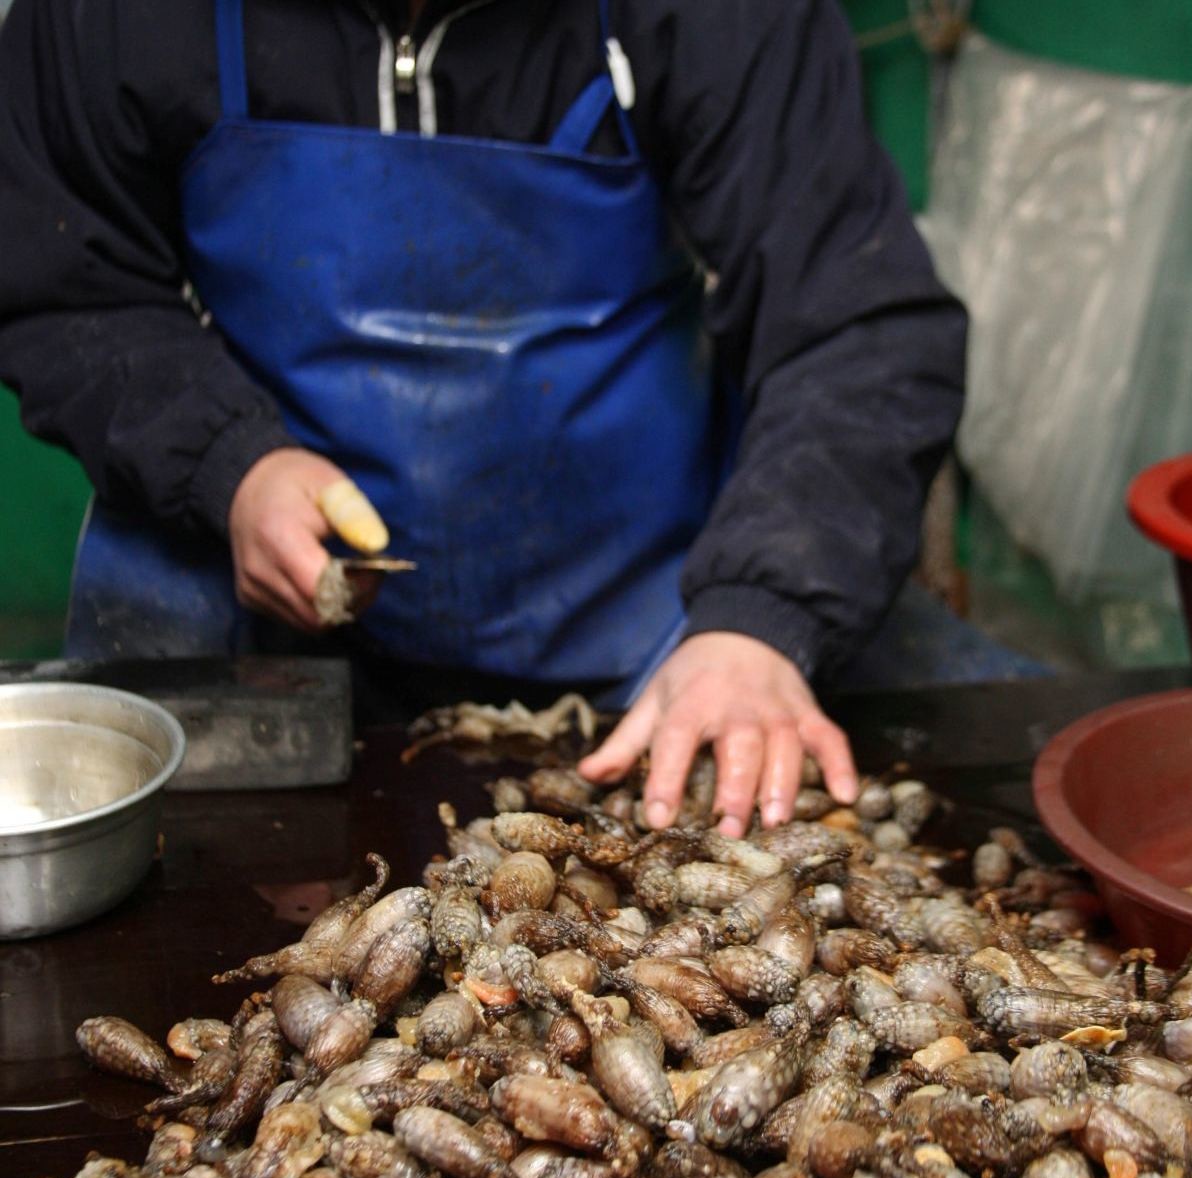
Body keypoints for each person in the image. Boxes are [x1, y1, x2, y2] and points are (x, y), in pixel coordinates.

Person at [0, 0, 968, 837]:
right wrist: (227, 463)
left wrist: (761, 617)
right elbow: (63, 282)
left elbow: (859, 325)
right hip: (265, 596)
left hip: (662, 614)